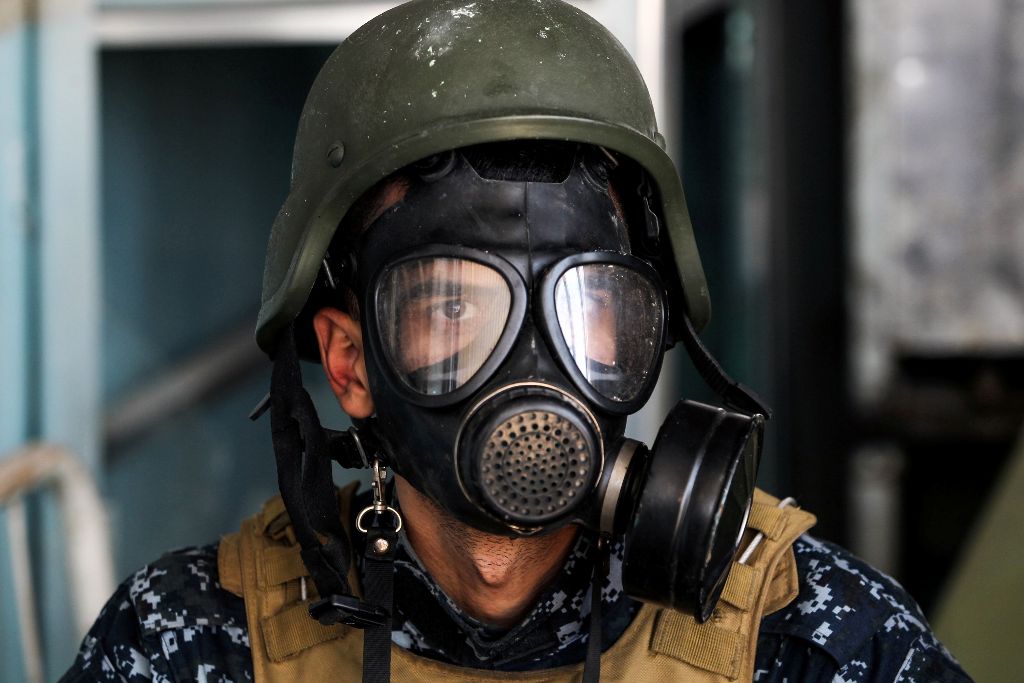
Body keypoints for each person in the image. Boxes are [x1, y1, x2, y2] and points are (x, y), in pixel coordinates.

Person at [62, 1, 971, 681]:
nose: (535, 361)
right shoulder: (192, 645)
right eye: (455, 309)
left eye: (587, 304)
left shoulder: (807, 636)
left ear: (641, 332)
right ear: (350, 364)